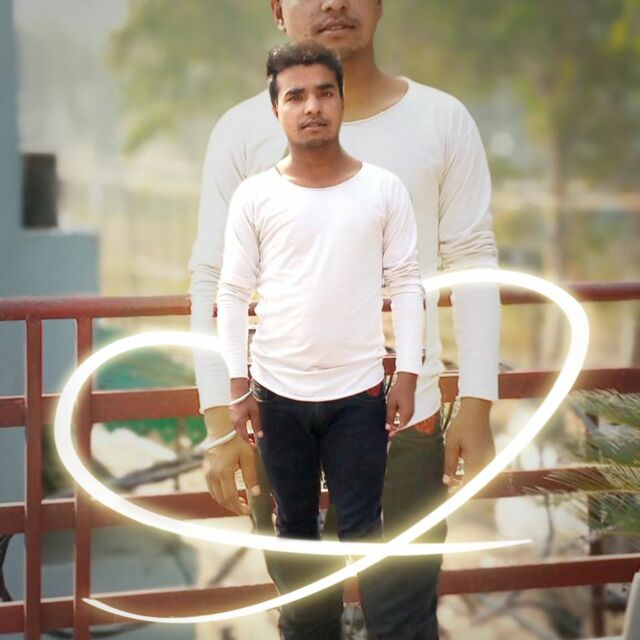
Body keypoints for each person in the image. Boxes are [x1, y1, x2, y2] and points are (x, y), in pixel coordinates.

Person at [189, 1, 500, 638]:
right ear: (279, 10)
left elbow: (472, 259)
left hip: (405, 425)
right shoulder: (241, 132)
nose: (334, 3)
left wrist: (477, 403)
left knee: (404, 617)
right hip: (278, 416)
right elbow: (214, 280)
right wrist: (220, 423)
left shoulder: (441, 120)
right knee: (306, 615)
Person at [212, 42, 424, 639]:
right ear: (276, 109)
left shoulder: (383, 189)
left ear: (341, 100)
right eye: (296, 96)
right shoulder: (256, 196)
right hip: (277, 394)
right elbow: (232, 293)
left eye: (324, 93)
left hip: (359, 395)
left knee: (364, 532)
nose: (312, 107)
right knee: (295, 531)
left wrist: (407, 374)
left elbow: (407, 283)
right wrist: (237, 387)